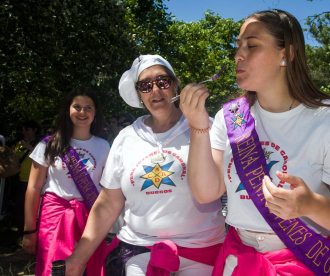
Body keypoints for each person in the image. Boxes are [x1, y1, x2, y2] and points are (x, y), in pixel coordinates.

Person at [179, 9, 330, 275]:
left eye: (252, 45)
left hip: (307, 259)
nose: (238, 55)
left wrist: (311, 205)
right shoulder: (230, 118)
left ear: (287, 54)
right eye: (238, 46)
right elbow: (206, 193)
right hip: (239, 258)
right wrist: (198, 124)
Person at [64, 55, 226, 276]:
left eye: (163, 81)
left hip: (201, 251)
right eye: (145, 85)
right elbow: (109, 202)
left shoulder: (208, 126)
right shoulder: (126, 137)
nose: (155, 90)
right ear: (139, 94)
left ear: (175, 85)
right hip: (139, 251)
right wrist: (78, 259)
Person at [22, 86, 110, 276]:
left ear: (95, 112)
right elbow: (34, 188)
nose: (82, 112)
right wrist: (29, 231)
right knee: (54, 269)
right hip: (54, 218)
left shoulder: (104, 146)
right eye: (77, 106)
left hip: (90, 219)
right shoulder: (49, 145)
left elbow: (106, 190)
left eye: (89, 107)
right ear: (68, 110)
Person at [11, 120, 41, 236]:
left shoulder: (40, 144)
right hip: (20, 181)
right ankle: (22, 233)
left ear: (35, 130)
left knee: (33, 209)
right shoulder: (20, 144)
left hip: (34, 183)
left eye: (27, 130)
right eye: (23, 130)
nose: (24, 132)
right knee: (19, 207)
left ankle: (34, 232)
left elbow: (43, 158)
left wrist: (29, 147)